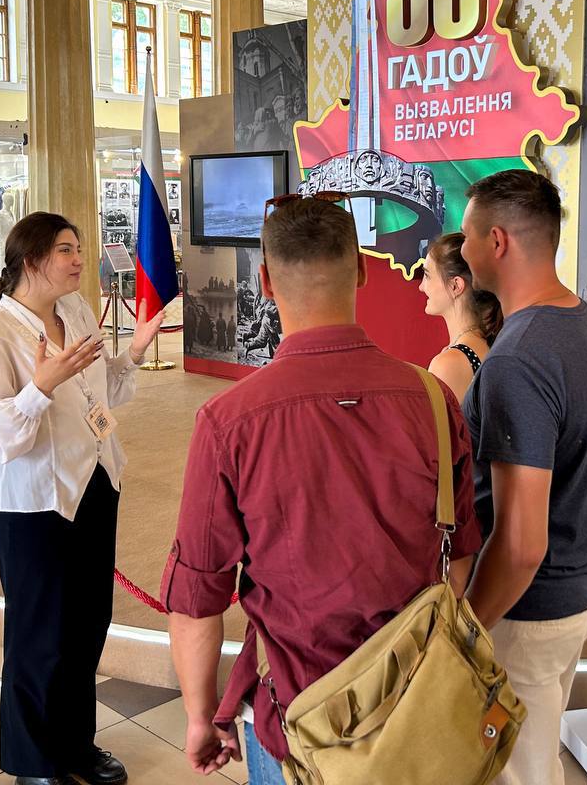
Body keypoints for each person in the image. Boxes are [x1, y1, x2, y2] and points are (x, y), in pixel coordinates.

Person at [161, 196, 482, 782]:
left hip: (299, 716)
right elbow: (458, 560)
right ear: (360, 269)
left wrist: (200, 716)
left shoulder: (227, 421)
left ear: (263, 279)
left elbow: (196, 600)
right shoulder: (433, 400)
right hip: (417, 707)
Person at [0, 212, 164, 785]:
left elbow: (103, 392)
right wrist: (38, 388)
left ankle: (77, 745)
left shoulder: (75, 313)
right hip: (33, 505)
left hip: (96, 486)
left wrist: (137, 351)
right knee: (38, 632)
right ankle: (33, 761)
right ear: (31, 261)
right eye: (67, 250)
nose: (80, 259)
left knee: (87, 623)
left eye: (80, 248)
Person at [460, 170, 587, 785]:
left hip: (526, 612)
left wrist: (465, 626)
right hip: (580, 588)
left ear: (498, 242)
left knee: (520, 772)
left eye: (469, 235)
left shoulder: (519, 358)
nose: (463, 246)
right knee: (538, 754)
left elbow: (522, 542)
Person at [419, 231, 503, 400]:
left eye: (427, 275)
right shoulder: (487, 346)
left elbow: (440, 427)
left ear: (456, 285)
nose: (421, 287)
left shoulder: (449, 364)